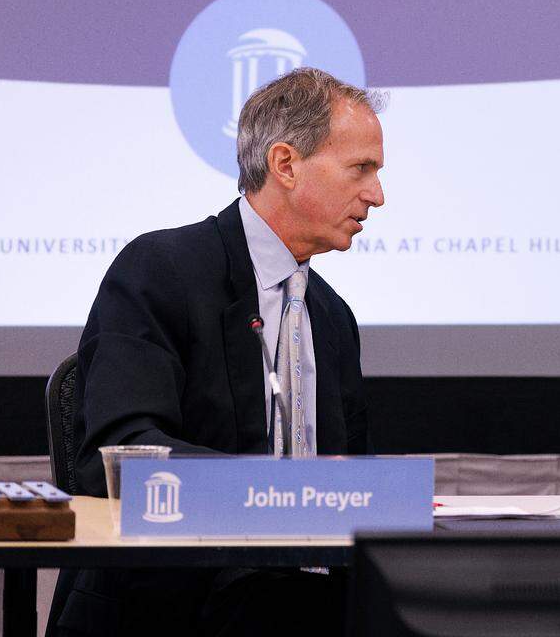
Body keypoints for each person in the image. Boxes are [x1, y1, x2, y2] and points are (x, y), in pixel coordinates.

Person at [48, 67, 385, 636]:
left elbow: (346, 486)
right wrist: (274, 496)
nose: (377, 194)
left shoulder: (332, 318)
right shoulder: (159, 271)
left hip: (310, 604)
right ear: (285, 165)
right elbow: (122, 452)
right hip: (176, 603)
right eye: (362, 169)